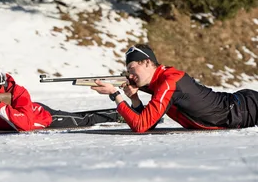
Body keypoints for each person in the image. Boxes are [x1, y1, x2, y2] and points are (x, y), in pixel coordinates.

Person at [91, 44, 258, 133]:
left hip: (247, 108)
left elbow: (140, 126)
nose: (131, 75)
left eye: (132, 69)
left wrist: (115, 94)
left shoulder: (168, 83)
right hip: (241, 105)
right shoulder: (159, 83)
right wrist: (134, 99)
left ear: (147, 62)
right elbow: (149, 124)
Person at [0, 65, 118, 133]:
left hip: (41, 117)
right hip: (21, 116)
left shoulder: (19, 92)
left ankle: (118, 114)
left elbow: (26, 125)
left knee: (83, 120)